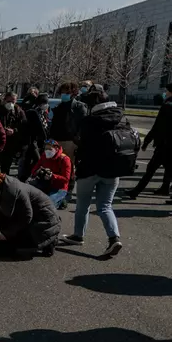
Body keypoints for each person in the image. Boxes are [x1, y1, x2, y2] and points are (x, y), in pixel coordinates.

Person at [61, 88, 136, 257]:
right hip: (113, 170)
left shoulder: (90, 121)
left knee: (83, 204)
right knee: (105, 206)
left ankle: (78, 235)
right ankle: (114, 238)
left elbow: (80, 141)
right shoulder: (121, 116)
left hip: (90, 169)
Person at [0, 171, 61, 257]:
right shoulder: (5, 187)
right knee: (11, 230)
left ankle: (50, 240)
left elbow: (27, 216)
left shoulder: (15, 192)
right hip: (38, 214)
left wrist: (8, 234)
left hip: (46, 219)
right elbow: (0, 208)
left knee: (19, 242)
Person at [126, 83, 172, 199]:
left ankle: (136, 191)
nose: (165, 93)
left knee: (151, 168)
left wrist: (147, 141)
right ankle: (164, 188)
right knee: (168, 168)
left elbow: (158, 126)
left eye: (166, 91)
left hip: (164, 144)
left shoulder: (167, 105)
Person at [49, 81, 88, 201]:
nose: (63, 95)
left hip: (70, 141)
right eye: (62, 92)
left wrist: (77, 139)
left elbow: (82, 125)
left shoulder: (79, 106)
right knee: (56, 166)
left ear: (73, 93)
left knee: (69, 167)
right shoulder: (59, 106)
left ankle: (68, 190)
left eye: (66, 92)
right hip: (57, 141)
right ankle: (57, 188)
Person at [0, 91, 27, 175]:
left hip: (10, 143)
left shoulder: (19, 112)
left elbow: (23, 126)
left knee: (6, 167)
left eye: (13, 101)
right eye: (9, 101)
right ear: (5, 100)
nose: (11, 103)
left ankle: (4, 184)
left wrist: (14, 131)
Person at [28, 140, 72, 208]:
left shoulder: (65, 159)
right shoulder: (44, 156)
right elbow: (34, 169)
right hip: (44, 183)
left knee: (48, 206)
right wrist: (37, 172)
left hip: (59, 187)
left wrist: (52, 176)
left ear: (56, 148)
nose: (47, 151)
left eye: (50, 149)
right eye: (46, 149)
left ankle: (62, 200)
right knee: (30, 197)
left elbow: (66, 179)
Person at [18, 93, 51, 181]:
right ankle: (25, 177)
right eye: (44, 103)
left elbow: (45, 127)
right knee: (37, 161)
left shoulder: (43, 113)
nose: (46, 105)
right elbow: (36, 128)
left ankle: (27, 177)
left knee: (31, 162)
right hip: (32, 142)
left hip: (40, 143)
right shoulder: (32, 112)